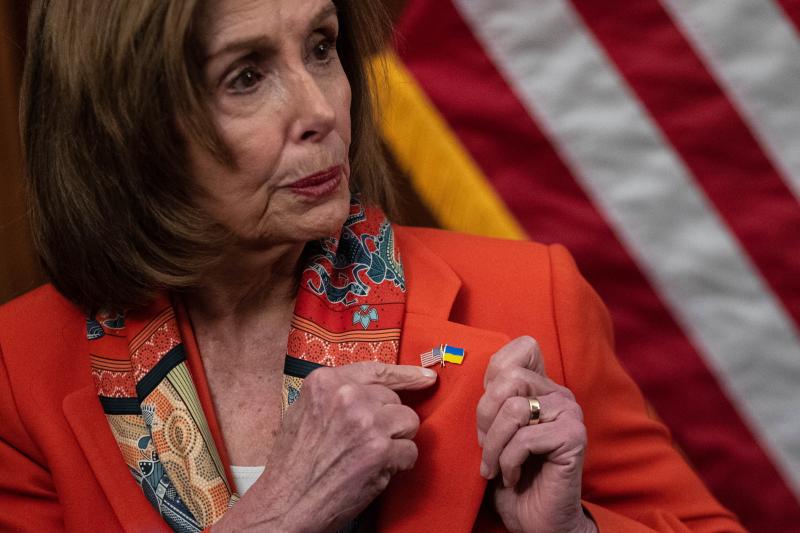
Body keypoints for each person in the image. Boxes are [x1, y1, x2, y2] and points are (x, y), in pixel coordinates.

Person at [0, 0, 744, 531]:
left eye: (320, 46)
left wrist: (573, 530)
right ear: (128, 124)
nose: (321, 106)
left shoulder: (531, 293)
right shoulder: (17, 368)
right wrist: (281, 512)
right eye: (246, 76)